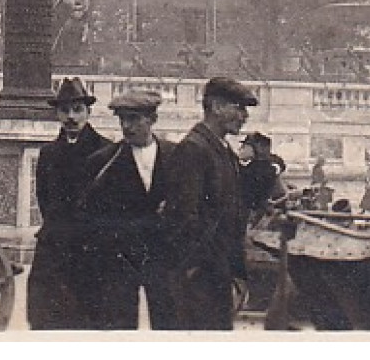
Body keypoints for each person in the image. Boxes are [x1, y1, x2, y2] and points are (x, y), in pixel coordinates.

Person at [73, 90, 176, 329]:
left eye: (134, 119)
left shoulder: (176, 156)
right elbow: (89, 216)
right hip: (120, 259)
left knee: (170, 325)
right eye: (122, 120)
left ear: (152, 120)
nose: (127, 127)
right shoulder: (103, 161)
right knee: (118, 328)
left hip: (164, 257)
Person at [164, 76, 257, 330]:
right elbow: (185, 220)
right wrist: (205, 271)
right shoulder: (194, 149)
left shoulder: (221, 150)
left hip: (217, 276)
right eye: (238, 107)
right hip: (200, 279)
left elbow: (232, 216)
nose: (244, 116)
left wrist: (235, 274)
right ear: (216, 107)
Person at [26, 77, 111, 331]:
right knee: (46, 317)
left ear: (88, 112)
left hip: (91, 252)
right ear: (57, 114)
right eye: (64, 110)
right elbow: (44, 199)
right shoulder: (48, 154)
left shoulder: (106, 151)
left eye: (77, 110)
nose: (71, 117)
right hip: (54, 249)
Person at [237, 131, 287, 221]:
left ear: (257, 148)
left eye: (245, 146)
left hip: (255, 213)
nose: (240, 149)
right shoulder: (269, 164)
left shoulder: (253, 169)